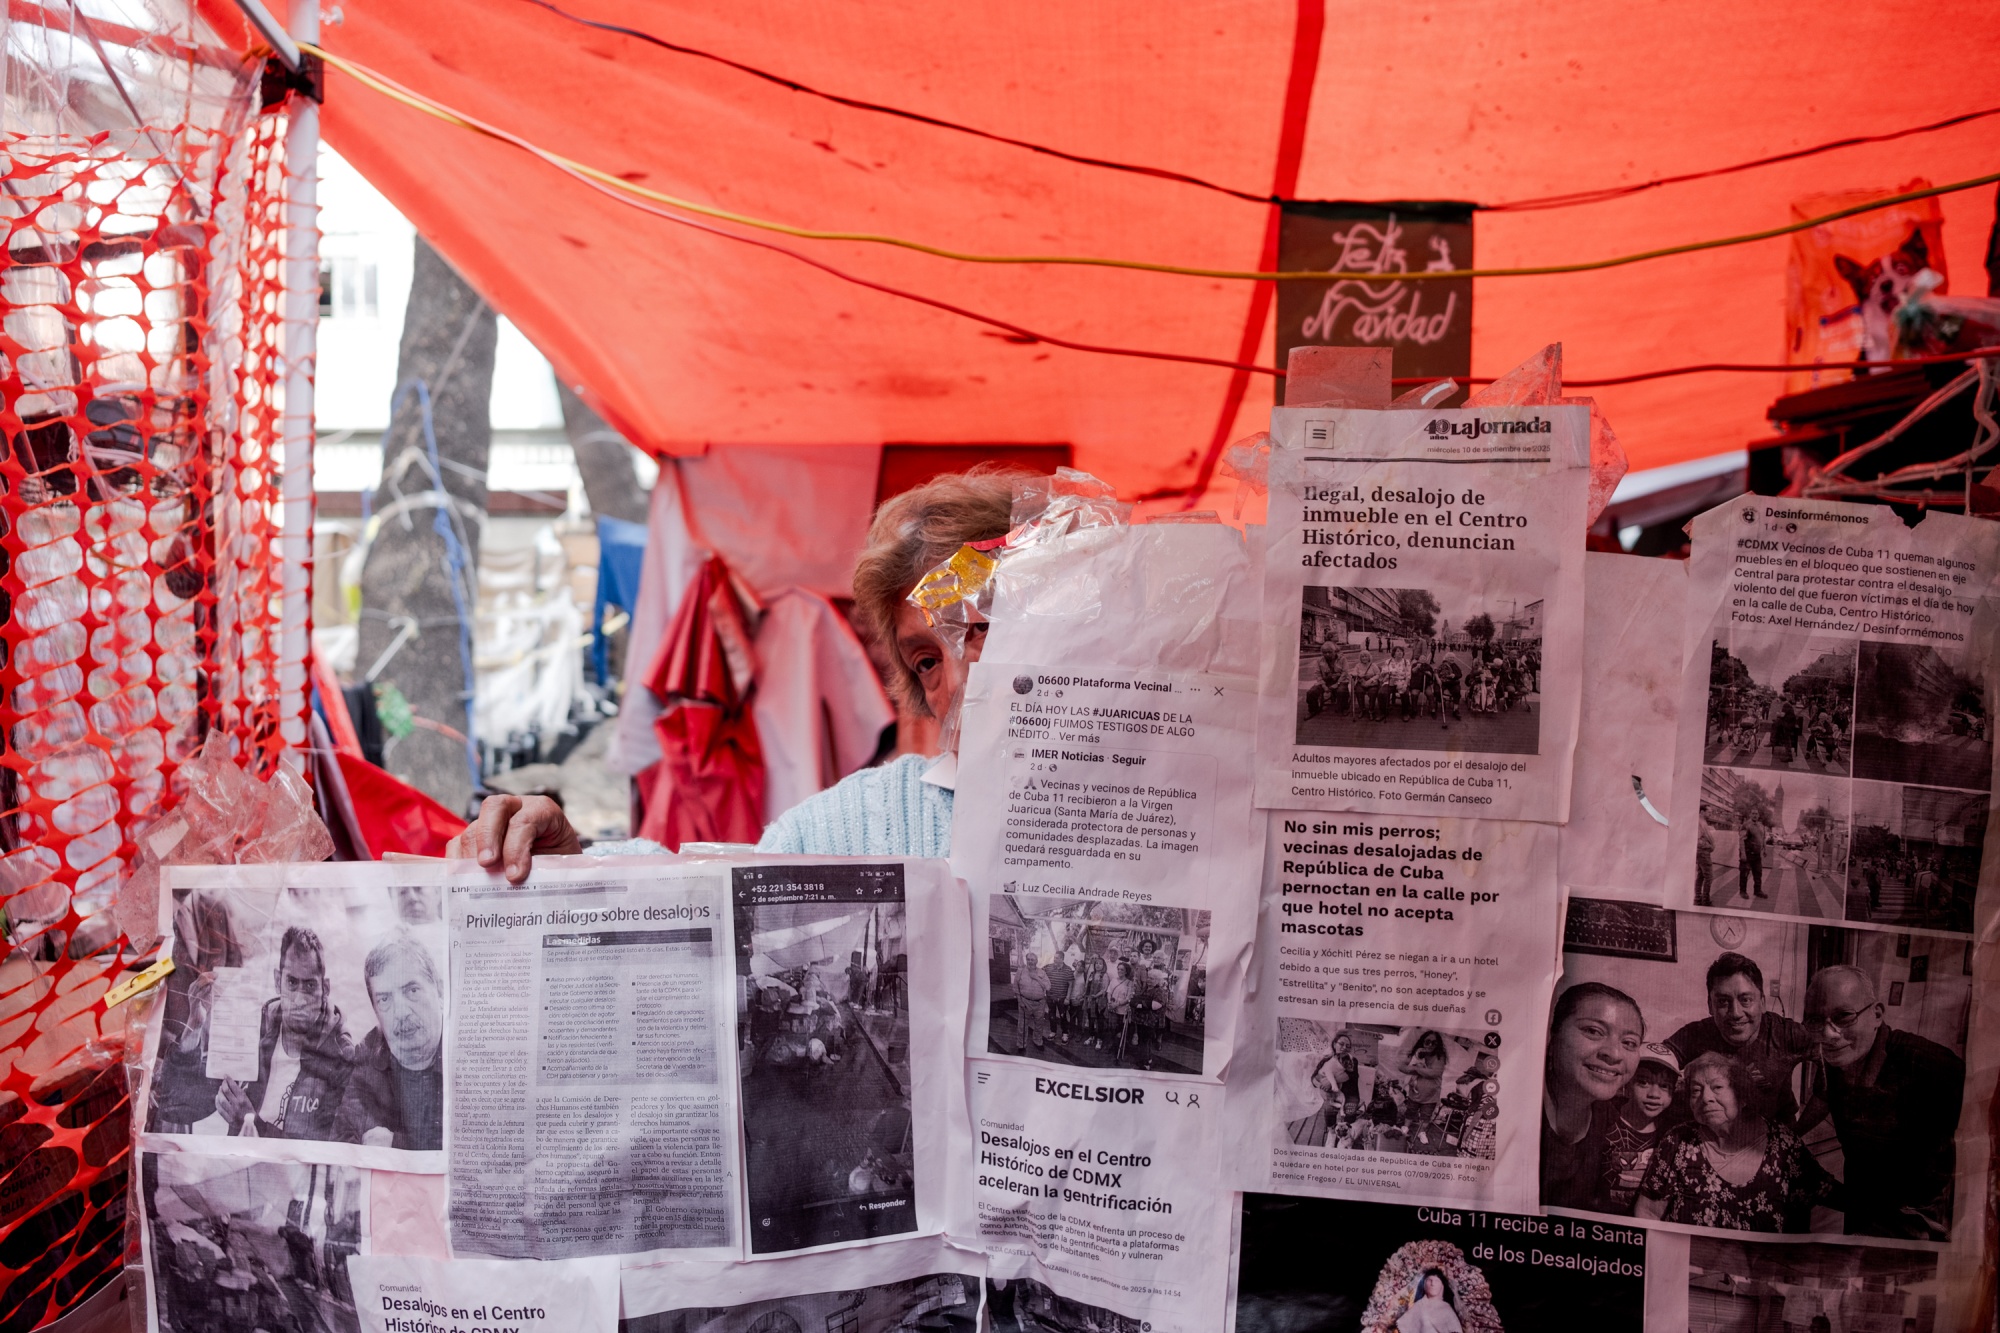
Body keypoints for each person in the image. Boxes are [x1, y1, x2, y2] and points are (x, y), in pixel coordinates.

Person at [448, 470, 1020, 877]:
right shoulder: (869, 820)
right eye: (927, 660)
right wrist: (570, 869)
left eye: (982, 628)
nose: (961, 677)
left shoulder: (1113, 813)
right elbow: (717, 888)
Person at [1800, 965, 1964, 1239]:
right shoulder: (1834, 1058)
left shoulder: (1929, 1065)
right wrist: (1792, 1133)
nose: (1828, 1035)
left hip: (1919, 1216)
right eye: (1816, 1021)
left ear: (1876, 1015)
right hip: (1862, 1198)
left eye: (1844, 1016)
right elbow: (1823, 1095)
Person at [1635, 1051, 1836, 1231]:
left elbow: (1829, 1193)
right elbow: (1648, 1213)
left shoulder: (1782, 1143)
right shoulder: (1677, 1140)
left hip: (1762, 1269)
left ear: (1742, 1095)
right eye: (1696, 1090)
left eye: (1717, 1087)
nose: (1706, 1098)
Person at [215, 926, 354, 1141]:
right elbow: (178, 1104)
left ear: (325, 989)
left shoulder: (342, 1056)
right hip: (238, 1167)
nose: (299, 1000)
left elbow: (326, 1150)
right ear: (277, 981)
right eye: (291, 983)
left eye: (309, 986)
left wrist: (250, 1122)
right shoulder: (255, 1028)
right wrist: (197, 1029)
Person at [1662, 952, 1813, 1127]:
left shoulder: (1786, 1033)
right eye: (1723, 1002)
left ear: (1762, 1003)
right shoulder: (1695, 1034)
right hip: (1714, 1134)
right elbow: (1652, 1064)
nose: (1735, 1013)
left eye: (1746, 1000)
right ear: (1710, 1006)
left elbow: (1837, 1062)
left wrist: (1800, 1131)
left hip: (1773, 1131)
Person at [334, 933, 445, 1151]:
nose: (400, 1012)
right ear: (375, 1011)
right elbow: (343, 1139)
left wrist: (398, 1144)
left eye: (412, 991)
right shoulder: (367, 1059)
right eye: (385, 999)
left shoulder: (471, 1049)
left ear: (439, 991)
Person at [1541, 982, 1644, 1211]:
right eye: (1593, 1031)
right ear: (1552, 1035)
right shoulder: (1512, 1106)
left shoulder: (1610, 1121)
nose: (1614, 1054)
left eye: (1629, 1043)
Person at [1600, 1043, 1680, 1214]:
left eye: (1664, 1086)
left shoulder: (1671, 1133)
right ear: (1627, 1084)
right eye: (1643, 1082)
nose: (1654, 1094)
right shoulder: (1604, 1121)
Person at [1312, 1031, 1362, 1139]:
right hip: (1332, 1095)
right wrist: (1321, 1084)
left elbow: (1349, 1076)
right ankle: (1331, 1133)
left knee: (1350, 1120)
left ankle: (1347, 1137)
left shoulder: (1352, 1061)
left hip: (1350, 1095)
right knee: (1329, 1111)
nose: (1344, 1047)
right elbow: (1313, 1078)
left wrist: (1329, 1082)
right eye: (1341, 1044)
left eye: (1348, 1046)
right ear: (1334, 1044)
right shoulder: (1326, 1059)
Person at [1395, 1269, 1463, 1333]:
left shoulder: (1447, 1308)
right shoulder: (1419, 1305)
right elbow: (1403, 1327)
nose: (1432, 1284)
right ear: (1424, 1285)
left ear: (1442, 1286)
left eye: (1436, 1281)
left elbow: (1455, 1329)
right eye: (1429, 1280)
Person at [1013, 951, 1051, 1054]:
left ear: (1036, 961)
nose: (1030, 961)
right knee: (1022, 1025)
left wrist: (1036, 978)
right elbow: (1015, 987)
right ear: (1026, 960)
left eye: (1032, 959)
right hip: (1024, 1002)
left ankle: (1038, 1041)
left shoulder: (1042, 973)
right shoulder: (1020, 971)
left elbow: (1048, 987)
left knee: (1039, 1024)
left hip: (1039, 1003)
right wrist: (1020, 1001)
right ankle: (1021, 1044)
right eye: (1028, 959)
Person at [1042, 949, 1075, 1047]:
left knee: (1063, 1016)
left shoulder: (1068, 970)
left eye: (1056, 958)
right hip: (1050, 997)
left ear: (1062, 959)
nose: (1054, 959)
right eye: (1054, 957)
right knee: (1051, 1015)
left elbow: (1071, 985)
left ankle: (1065, 1034)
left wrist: (1068, 998)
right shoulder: (1049, 968)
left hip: (1062, 998)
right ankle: (1053, 1031)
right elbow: (1040, 973)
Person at [1738, 816, 1766, 899]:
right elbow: (1741, 840)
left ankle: (1757, 891)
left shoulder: (1761, 826)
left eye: (1756, 813)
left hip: (1757, 855)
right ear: (1750, 814)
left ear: (1758, 814)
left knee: (1758, 873)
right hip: (1747, 853)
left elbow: (1763, 838)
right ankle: (1743, 891)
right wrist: (1743, 853)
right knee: (1744, 873)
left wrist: (1765, 849)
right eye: (1753, 813)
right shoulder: (1745, 825)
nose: (1755, 815)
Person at [1694, 824, 1715, 907]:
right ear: (1702, 812)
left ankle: (1698, 898)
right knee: (1709, 877)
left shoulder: (1702, 823)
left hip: (1702, 853)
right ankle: (1705, 900)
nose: (1709, 814)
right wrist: (1710, 846)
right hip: (1703, 854)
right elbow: (1698, 841)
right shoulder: (1700, 824)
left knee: (1700, 876)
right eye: (1708, 812)